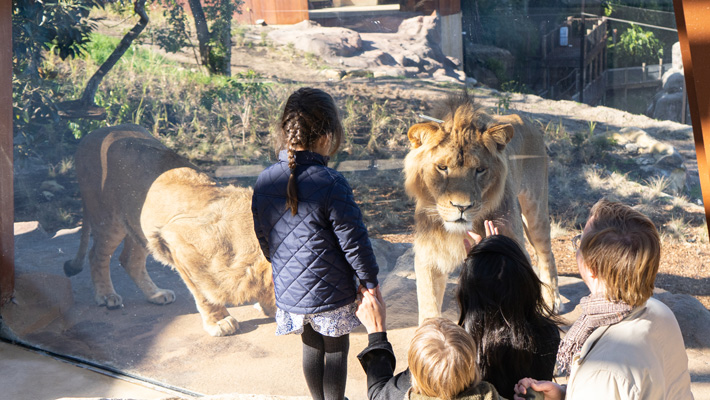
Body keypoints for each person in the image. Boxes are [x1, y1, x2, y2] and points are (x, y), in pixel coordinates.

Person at [252, 87, 380, 400]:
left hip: (291, 289)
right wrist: (370, 280)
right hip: (332, 291)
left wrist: (282, 265)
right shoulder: (331, 182)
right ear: (328, 135)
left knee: (310, 346)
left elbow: (263, 236)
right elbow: (354, 241)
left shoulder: (265, 179)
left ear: (285, 131)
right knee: (335, 350)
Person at [356, 221, 560, 400]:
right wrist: (494, 261)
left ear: (466, 296)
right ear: (528, 283)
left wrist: (377, 333)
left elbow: (380, 393)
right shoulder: (547, 337)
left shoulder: (452, 353)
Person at [514, 198, 694, 400]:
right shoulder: (658, 311)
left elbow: (606, 388)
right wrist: (566, 394)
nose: (576, 249)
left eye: (579, 243)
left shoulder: (602, 373)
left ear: (592, 268)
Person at [459, 233, 561, 399]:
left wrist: (473, 268)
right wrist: (500, 256)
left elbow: (473, 312)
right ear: (527, 282)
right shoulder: (547, 335)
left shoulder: (461, 347)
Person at [356, 288, 503, 400]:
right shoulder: (489, 395)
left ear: (413, 378)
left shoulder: (405, 396)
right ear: (473, 368)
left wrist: (376, 331)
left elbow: (379, 394)